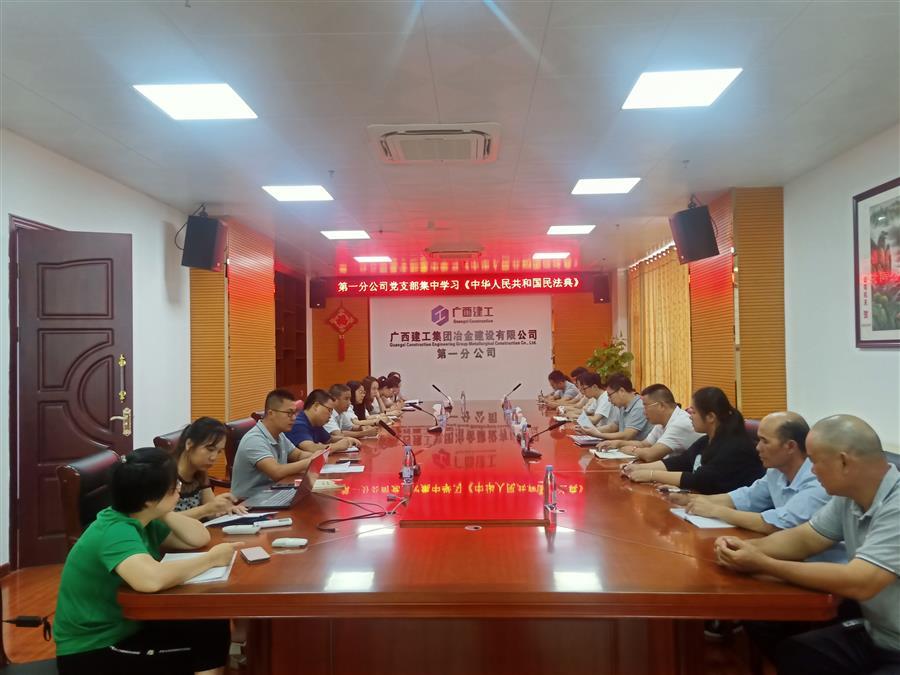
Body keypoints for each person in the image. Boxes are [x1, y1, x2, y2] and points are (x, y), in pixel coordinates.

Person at [714, 415, 900, 674]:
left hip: (894, 643)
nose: (811, 471)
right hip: (876, 634)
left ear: (844, 461)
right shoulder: (849, 496)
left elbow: (862, 581)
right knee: (795, 653)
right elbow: (805, 538)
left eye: (815, 461)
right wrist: (747, 549)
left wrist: (764, 563)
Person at [54, 447, 239, 675]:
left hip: (129, 626)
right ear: (150, 499)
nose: (179, 489)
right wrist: (211, 559)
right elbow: (150, 580)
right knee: (205, 647)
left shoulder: (142, 518)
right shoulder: (115, 530)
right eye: (173, 486)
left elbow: (198, 538)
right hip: (93, 650)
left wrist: (164, 510)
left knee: (210, 622)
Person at [669, 411, 844, 559]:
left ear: (790, 446)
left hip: (823, 567)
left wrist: (716, 510)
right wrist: (692, 500)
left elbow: (779, 523)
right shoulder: (776, 471)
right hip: (791, 557)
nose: (757, 447)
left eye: (764, 441)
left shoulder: (819, 479)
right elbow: (746, 497)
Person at [622, 386, 763, 493]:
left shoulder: (734, 447)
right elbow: (680, 462)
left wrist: (651, 475)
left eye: (693, 412)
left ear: (710, 417)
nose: (689, 416)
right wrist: (638, 468)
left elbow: (700, 479)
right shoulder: (706, 440)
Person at [231, 388, 332, 499]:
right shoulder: (254, 439)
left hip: (274, 492)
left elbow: (298, 455)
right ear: (271, 413)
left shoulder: (279, 435)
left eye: (295, 413)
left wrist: (318, 457)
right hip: (249, 502)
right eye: (289, 413)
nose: (294, 418)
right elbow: (276, 471)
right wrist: (310, 461)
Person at [601, 384, 703, 461]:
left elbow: (651, 455)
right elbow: (645, 444)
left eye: (645, 406)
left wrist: (632, 450)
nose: (643, 411)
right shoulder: (661, 422)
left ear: (661, 406)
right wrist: (618, 443)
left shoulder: (680, 423)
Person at [171, 417, 247, 520]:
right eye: (210, 449)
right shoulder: (166, 474)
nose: (213, 457)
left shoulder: (200, 471)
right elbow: (161, 521)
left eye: (219, 452)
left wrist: (225, 509)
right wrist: (206, 509)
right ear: (189, 444)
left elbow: (210, 512)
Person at [583, 373, 654, 442]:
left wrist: (598, 434)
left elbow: (627, 435)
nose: (609, 400)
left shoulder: (639, 406)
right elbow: (613, 426)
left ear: (621, 391)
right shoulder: (622, 406)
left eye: (610, 395)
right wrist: (590, 430)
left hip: (635, 448)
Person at [286, 388, 359, 453]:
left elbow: (329, 439)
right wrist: (337, 446)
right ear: (316, 406)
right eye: (329, 410)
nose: (330, 415)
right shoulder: (297, 423)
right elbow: (310, 448)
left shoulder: (315, 423)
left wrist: (346, 439)